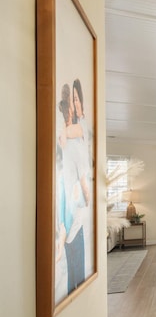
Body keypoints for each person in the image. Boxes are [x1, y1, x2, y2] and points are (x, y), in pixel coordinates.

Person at [58, 83, 86, 292]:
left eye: (76, 100)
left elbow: (67, 133)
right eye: (71, 102)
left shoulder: (80, 129)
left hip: (75, 216)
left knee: (77, 279)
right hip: (70, 212)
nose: (74, 106)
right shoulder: (71, 141)